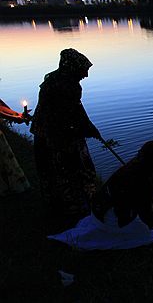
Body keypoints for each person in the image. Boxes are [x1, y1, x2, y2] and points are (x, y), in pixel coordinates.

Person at [48, 140, 153, 250]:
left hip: (99, 210)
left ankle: (107, 227)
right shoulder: (143, 181)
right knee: (150, 235)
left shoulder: (138, 165)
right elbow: (147, 215)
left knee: (144, 224)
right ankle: (110, 233)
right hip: (112, 217)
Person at [30, 48, 101, 223]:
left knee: (52, 171)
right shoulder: (66, 86)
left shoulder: (54, 79)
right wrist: (86, 129)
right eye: (84, 70)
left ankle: (59, 208)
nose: (85, 75)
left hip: (47, 133)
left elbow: (77, 110)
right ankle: (76, 211)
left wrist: (90, 127)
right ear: (73, 68)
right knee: (72, 170)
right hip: (59, 137)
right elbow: (68, 116)